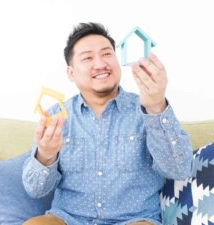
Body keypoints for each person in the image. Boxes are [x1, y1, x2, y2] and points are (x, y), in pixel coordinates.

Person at [22, 22, 193, 225]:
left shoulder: (147, 109)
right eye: (87, 58)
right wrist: (46, 156)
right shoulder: (55, 116)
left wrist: (156, 107)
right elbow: (35, 190)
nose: (100, 63)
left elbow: (180, 170)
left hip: (134, 219)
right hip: (68, 219)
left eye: (107, 54)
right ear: (71, 73)